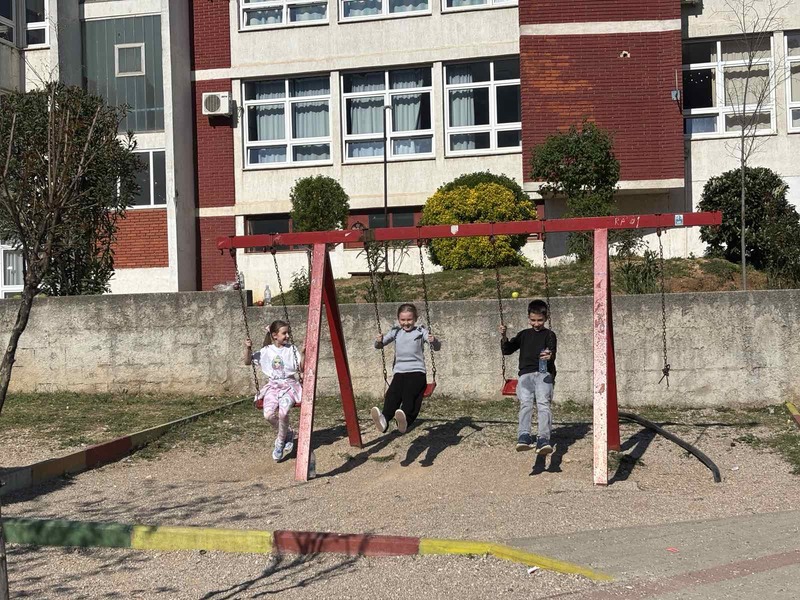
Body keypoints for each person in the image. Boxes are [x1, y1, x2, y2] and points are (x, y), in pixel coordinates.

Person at [371, 303, 441, 434]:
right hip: (400, 372)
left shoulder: (421, 331)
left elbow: (436, 348)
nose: (406, 323)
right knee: (393, 394)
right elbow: (379, 345)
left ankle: (405, 419)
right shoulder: (396, 332)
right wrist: (378, 341)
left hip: (417, 372)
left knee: (409, 394)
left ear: (415, 319)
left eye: (409, 319)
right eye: (403, 320)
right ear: (398, 319)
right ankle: (384, 419)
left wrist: (434, 341)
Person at [499, 299, 557, 455]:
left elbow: (552, 351)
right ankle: (524, 436)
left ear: (546, 318)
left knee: (543, 404)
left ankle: (543, 439)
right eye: (533, 320)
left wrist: (549, 356)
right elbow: (507, 350)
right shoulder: (524, 334)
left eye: (540, 320)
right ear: (528, 318)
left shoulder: (549, 334)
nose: (536, 324)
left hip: (544, 374)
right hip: (525, 374)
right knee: (526, 404)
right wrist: (504, 336)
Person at [245, 320, 303, 462]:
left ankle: (280, 441)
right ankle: (288, 433)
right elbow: (247, 361)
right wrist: (248, 348)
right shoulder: (267, 351)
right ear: (275, 335)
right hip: (273, 387)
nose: (287, 335)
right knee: (268, 415)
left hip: (289, 387)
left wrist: (303, 353)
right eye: (284, 333)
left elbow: (301, 367)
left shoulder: (291, 349)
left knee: (283, 412)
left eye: (288, 333)